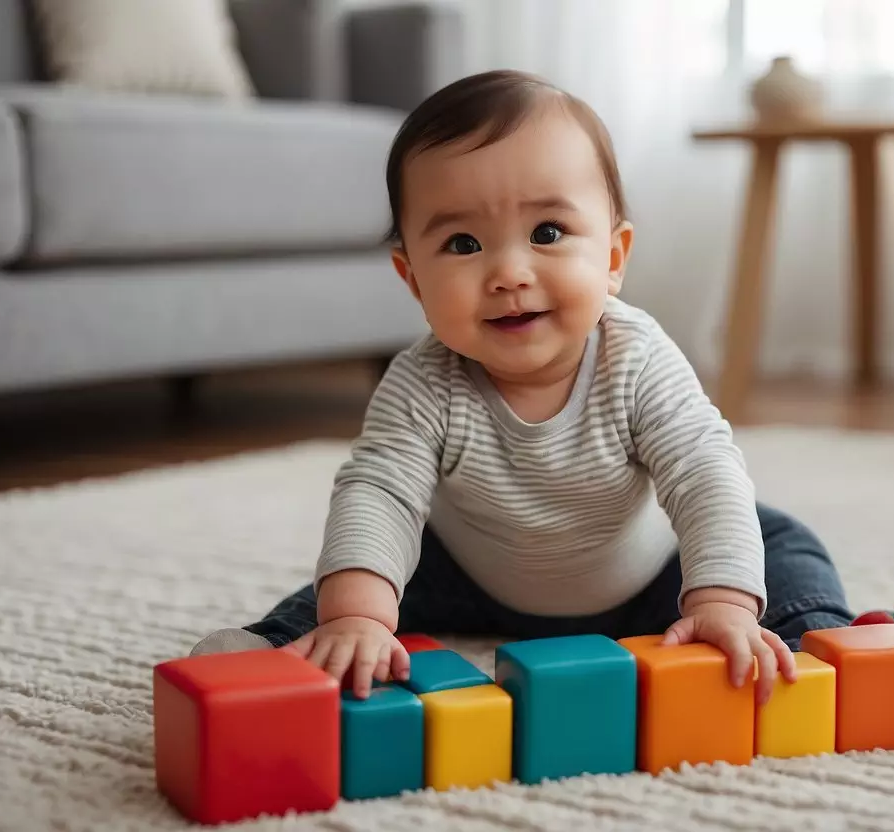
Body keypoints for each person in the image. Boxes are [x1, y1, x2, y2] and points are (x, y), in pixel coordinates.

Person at [192, 69, 855, 704]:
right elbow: (381, 491)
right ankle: (272, 649)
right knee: (357, 585)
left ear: (613, 259)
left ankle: (811, 642)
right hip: (473, 580)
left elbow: (703, 470)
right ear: (413, 279)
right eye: (461, 243)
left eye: (547, 233)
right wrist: (359, 616)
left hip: (653, 577)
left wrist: (720, 603)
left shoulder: (635, 357)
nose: (509, 272)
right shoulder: (423, 381)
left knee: (779, 545)